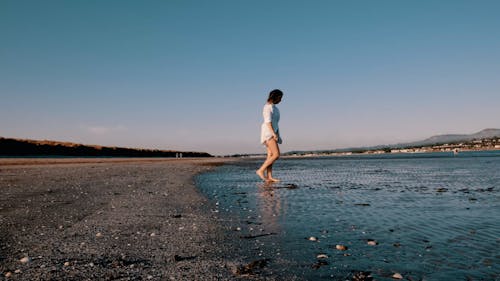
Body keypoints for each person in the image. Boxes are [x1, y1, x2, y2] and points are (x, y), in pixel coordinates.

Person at [256, 89, 283, 182]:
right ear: (275, 97)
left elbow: (276, 123)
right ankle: (260, 170)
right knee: (276, 154)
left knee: (270, 155)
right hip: (268, 132)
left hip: (273, 132)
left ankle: (269, 176)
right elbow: (268, 122)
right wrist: (273, 133)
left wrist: (278, 135)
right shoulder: (267, 107)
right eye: (280, 97)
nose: (281, 100)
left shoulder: (275, 108)